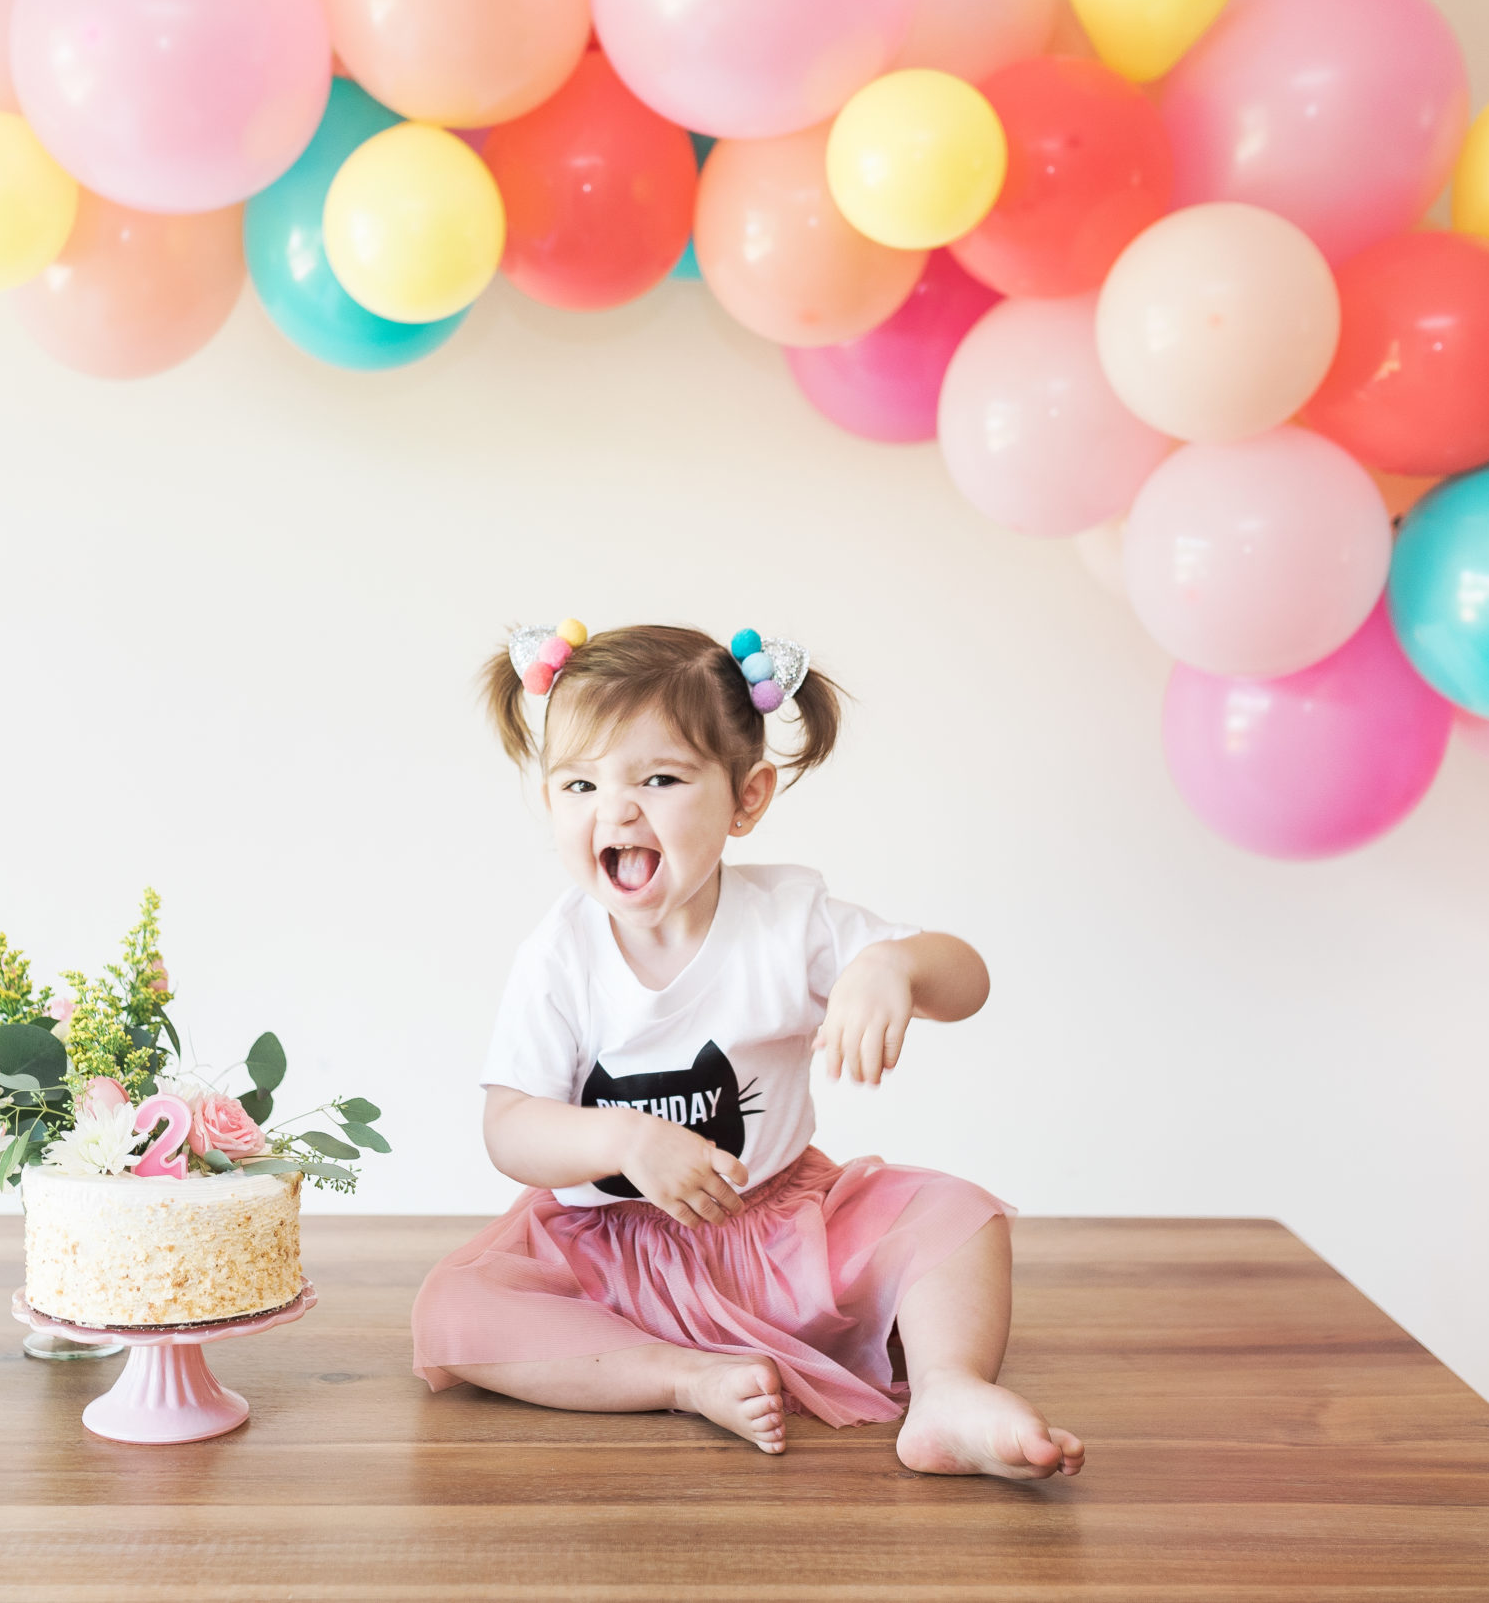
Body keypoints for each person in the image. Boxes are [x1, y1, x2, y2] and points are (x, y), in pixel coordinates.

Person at [410, 621, 1086, 1481]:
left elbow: (971, 980)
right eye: (580, 783)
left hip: (774, 1235)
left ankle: (949, 1393)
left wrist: (894, 966)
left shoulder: (787, 921)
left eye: (659, 778)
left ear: (747, 797)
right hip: (607, 1255)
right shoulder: (560, 954)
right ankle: (682, 1376)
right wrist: (620, 1141)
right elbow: (509, 1128)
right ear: (550, 802)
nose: (615, 810)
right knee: (457, 1307)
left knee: (961, 1215)